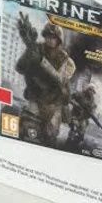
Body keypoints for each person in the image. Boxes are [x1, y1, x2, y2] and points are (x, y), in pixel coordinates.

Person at [15, 17, 76, 146]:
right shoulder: (37, 48)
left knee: (49, 137)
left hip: (53, 102)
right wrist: (30, 49)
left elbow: (60, 80)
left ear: (58, 40)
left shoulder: (65, 59)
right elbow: (20, 67)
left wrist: (41, 61)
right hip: (36, 97)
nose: (50, 39)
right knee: (27, 130)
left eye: (53, 37)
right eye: (47, 36)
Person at [66, 84, 100, 151]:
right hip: (74, 116)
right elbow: (69, 98)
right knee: (73, 129)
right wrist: (75, 104)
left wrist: (92, 112)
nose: (91, 92)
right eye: (90, 90)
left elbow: (93, 110)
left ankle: (75, 146)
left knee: (81, 134)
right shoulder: (79, 94)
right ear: (88, 89)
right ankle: (67, 144)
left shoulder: (92, 101)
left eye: (93, 91)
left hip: (83, 119)